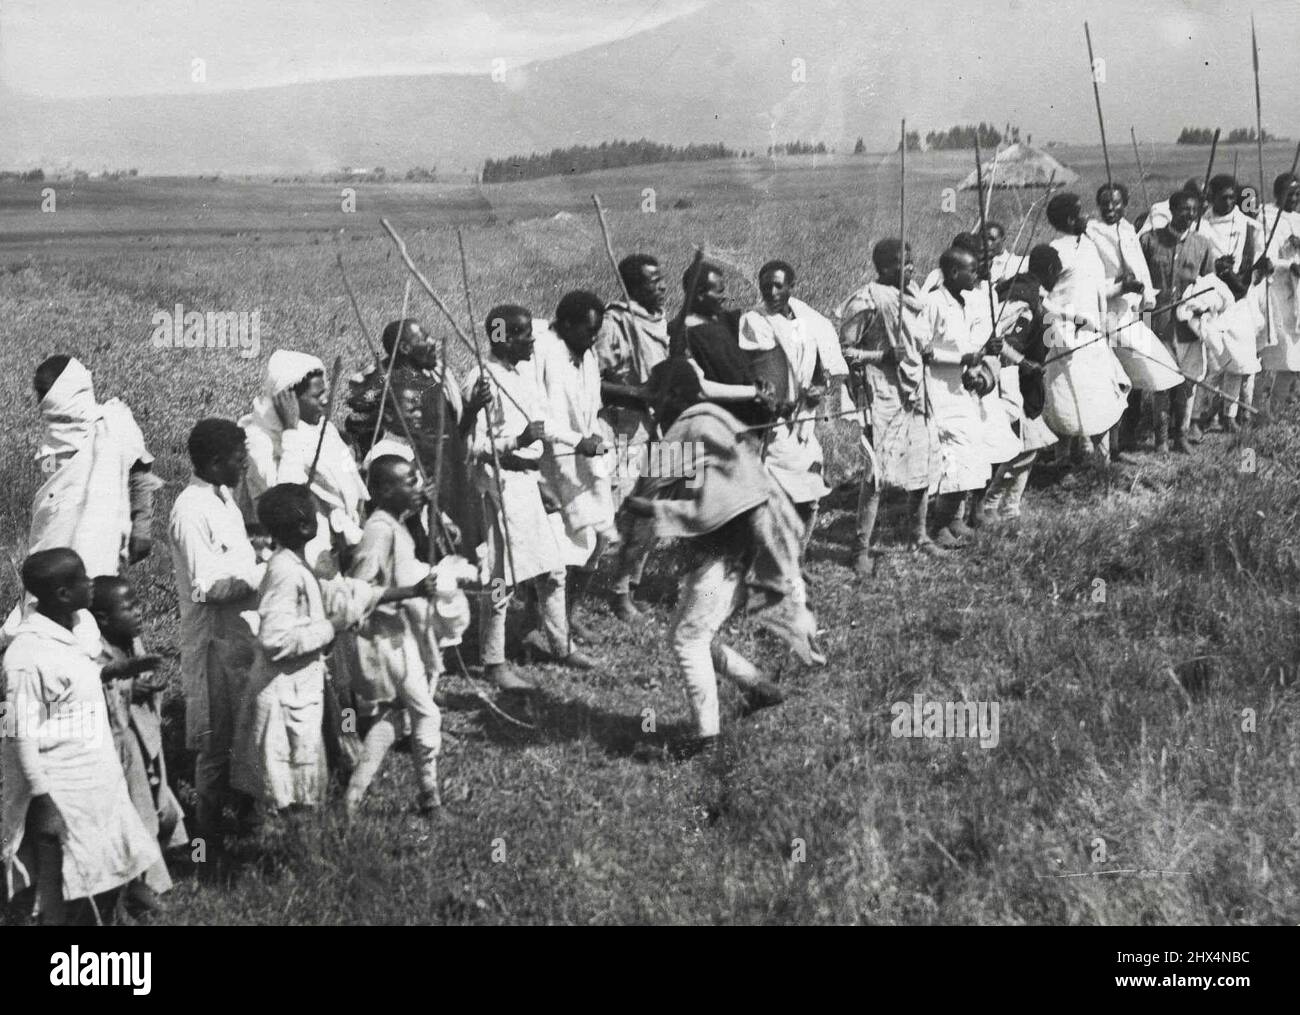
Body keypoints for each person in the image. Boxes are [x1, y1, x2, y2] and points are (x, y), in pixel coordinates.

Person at [623, 360, 823, 756]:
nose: (652, 406)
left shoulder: (687, 428)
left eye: (655, 397)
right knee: (691, 632)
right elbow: (690, 485)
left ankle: (705, 738)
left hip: (724, 557)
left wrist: (642, 508)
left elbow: (666, 495)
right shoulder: (715, 422)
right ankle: (759, 687)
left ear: (675, 397)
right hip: (743, 550)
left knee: (687, 640)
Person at [232, 484, 426, 813]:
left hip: (309, 682)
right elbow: (275, 640)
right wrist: (333, 626)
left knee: (337, 718)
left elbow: (351, 591)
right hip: (287, 690)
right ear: (307, 526)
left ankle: (343, 759)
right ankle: (297, 845)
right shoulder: (285, 573)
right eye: (314, 515)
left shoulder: (301, 564)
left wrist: (410, 590)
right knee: (291, 780)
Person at [2, 549, 161, 925]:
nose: (91, 583)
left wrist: (118, 670)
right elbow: (17, 736)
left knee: (102, 878)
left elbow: (74, 683)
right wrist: (43, 800)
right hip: (63, 792)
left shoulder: (75, 629)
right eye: (82, 579)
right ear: (61, 593)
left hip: (96, 784)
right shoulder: (26, 656)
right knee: (69, 895)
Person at [462, 304, 595, 690]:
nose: (532, 340)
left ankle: (561, 644)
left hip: (528, 481)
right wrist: (516, 442)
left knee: (553, 569)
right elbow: (473, 446)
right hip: (499, 486)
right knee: (501, 578)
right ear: (502, 338)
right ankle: (494, 661)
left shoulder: (521, 374)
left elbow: (542, 424)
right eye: (523, 334)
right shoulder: (482, 381)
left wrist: (579, 441)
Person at [344, 457, 476, 816]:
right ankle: (430, 799)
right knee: (427, 714)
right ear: (385, 491)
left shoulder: (395, 525)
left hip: (400, 635)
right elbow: (359, 590)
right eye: (411, 482)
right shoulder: (379, 530)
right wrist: (414, 590)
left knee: (394, 719)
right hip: (385, 640)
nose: (420, 488)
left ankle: (352, 797)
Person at [168, 418, 265, 846]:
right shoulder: (190, 511)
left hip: (238, 635)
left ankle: (245, 812)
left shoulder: (223, 496)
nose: (244, 463)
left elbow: (234, 559)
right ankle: (205, 834)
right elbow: (206, 587)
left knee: (244, 724)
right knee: (214, 738)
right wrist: (266, 575)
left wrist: (260, 553)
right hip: (211, 641)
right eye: (237, 458)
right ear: (212, 462)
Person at [834, 239, 943, 572]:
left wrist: (923, 353)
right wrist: (880, 355)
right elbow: (846, 350)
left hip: (916, 390)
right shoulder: (867, 300)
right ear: (882, 267)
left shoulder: (916, 297)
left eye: (910, 262)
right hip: (882, 392)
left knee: (923, 460)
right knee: (877, 473)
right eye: (900, 264)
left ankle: (919, 536)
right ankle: (860, 548)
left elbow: (920, 338)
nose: (908, 269)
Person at [90, 575, 188, 914]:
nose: (139, 613)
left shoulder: (133, 642)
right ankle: (143, 890)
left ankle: (167, 866)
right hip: (124, 747)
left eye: (138, 605)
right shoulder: (97, 653)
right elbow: (101, 693)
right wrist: (131, 688)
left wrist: (146, 685)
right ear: (103, 619)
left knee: (167, 812)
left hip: (147, 739)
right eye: (129, 608)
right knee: (142, 813)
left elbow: (139, 680)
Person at [350, 319, 489, 553]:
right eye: (424, 339)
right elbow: (361, 401)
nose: (433, 342)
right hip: (423, 479)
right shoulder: (394, 384)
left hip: (451, 474)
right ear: (404, 349)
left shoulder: (433, 377)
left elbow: (452, 433)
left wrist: (473, 407)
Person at [739, 259, 849, 549]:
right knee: (778, 493)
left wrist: (819, 388)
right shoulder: (755, 321)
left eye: (779, 285)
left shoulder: (802, 320)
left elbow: (813, 361)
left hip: (803, 420)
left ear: (792, 287)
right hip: (774, 422)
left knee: (810, 494)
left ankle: (796, 555)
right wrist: (779, 400)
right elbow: (763, 368)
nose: (772, 292)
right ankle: (773, 559)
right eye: (766, 286)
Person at [24, 355, 163, 579]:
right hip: (55, 542)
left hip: (104, 541)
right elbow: (52, 485)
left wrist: (142, 527)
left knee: (101, 598)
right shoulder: (52, 438)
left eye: (46, 393)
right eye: (41, 393)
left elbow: (140, 475)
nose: (42, 400)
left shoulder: (115, 423)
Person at [238, 349, 368, 576]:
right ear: (287, 400)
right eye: (317, 396)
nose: (326, 401)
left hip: (337, 544)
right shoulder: (260, 440)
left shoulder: (323, 430)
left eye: (325, 392)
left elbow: (352, 479)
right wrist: (290, 430)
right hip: (293, 553)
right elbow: (284, 499)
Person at [535, 291, 618, 642]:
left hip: (586, 464)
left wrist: (599, 442)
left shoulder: (584, 355)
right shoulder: (542, 352)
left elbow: (591, 409)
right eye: (588, 331)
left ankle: (570, 614)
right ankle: (540, 626)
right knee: (554, 552)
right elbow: (535, 416)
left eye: (596, 332)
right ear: (565, 325)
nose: (593, 338)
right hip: (549, 466)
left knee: (597, 538)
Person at [598, 254, 670, 622]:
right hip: (625, 431)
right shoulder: (615, 322)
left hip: (663, 430)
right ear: (631, 288)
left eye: (661, 280)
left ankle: (629, 585)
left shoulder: (663, 321)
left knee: (652, 513)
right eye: (650, 282)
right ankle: (609, 590)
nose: (661, 287)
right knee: (618, 513)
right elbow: (592, 382)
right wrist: (637, 394)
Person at [922, 247, 999, 547]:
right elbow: (923, 351)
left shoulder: (962, 302)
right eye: (972, 269)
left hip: (960, 389)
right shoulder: (933, 303)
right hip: (939, 391)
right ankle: (940, 525)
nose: (977, 274)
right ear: (954, 273)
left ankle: (955, 519)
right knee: (951, 457)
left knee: (967, 452)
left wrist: (978, 358)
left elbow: (964, 347)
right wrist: (962, 358)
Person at [979, 246, 1060, 523]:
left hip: (1022, 381)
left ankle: (1010, 507)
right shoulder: (1024, 300)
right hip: (1009, 381)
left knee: (1029, 444)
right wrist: (1025, 363)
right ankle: (991, 504)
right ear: (1051, 271)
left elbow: (1048, 331)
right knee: (1024, 445)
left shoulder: (1031, 294)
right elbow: (1007, 343)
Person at [1045, 192, 1128, 463]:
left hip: (1093, 338)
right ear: (1070, 219)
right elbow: (1044, 299)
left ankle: (1101, 462)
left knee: (1100, 393)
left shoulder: (1089, 248)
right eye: (1081, 213)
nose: (1087, 217)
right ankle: (1062, 461)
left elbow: (1094, 289)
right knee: (1065, 398)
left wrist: (1122, 287)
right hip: (1064, 338)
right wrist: (1070, 322)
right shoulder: (1054, 252)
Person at [1139, 190, 1217, 453]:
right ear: (1171, 210)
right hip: (1156, 323)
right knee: (1162, 383)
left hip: (1188, 327)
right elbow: (1140, 284)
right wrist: (1145, 318)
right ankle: (1160, 440)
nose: (1190, 215)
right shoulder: (1150, 241)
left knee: (1186, 384)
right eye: (1185, 209)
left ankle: (1180, 435)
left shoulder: (1203, 244)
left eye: (1195, 211)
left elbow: (1210, 286)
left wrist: (1199, 308)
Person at [1086, 183, 1156, 454]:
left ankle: (1128, 435)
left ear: (1125, 204)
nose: (1111, 208)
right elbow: (1091, 276)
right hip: (1107, 310)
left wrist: (1146, 298)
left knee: (1136, 374)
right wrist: (1117, 282)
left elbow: (1141, 269)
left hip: (1132, 311)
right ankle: (1107, 444)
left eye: (1116, 203)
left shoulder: (1128, 230)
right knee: (1110, 377)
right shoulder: (1092, 232)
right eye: (1105, 203)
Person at [1193, 175, 1265, 433]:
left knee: (1239, 363)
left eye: (1232, 197)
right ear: (1210, 197)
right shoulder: (1200, 226)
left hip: (1242, 300)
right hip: (1212, 299)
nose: (1228, 202)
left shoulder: (1249, 226)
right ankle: (1201, 416)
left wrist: (1247, 275)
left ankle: (1230, 414)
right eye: (1222, 197)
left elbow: (1259, 262)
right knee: (1212, 362)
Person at [669, 255, 776, 426]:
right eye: (719, 291)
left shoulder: (725, 320)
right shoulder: (679, 334)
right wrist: (752, 392)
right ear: (699, 294)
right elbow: (699, 388)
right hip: (716, 426)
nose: (725, 296)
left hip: (749, 420)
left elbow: (738, 364)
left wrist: (757, 381)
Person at [1259, 172, 1300, 416]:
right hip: (1280, 292)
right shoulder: (1268, 218)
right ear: (1277, 194)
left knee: (1296, 356)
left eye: (1298, 193)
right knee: (1286, 354)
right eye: (1289, 193)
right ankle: (1272, 409)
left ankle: (1287, 408)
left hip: (1299, 292)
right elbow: (1266, 259)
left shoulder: (1298, 218)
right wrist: (1289, 265)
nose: (1294, 198)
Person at [1137, 177, 1204, 235]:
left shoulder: (1203, 213)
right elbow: (1159, 239)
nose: (1206, 203)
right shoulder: (1161, 210)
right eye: (1202, 199)